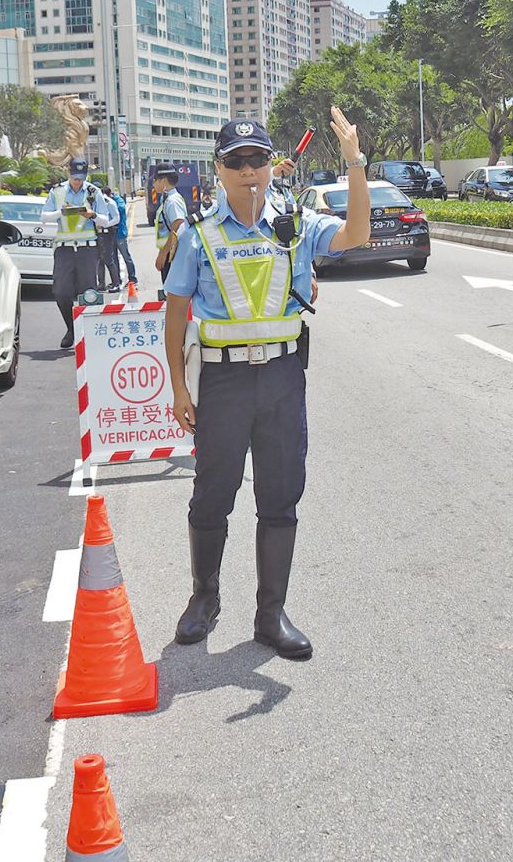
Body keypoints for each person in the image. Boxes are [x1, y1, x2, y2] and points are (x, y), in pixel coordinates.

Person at [163, 108, 371, 659]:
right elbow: (176, 311)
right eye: (238, 162)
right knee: (212, 497)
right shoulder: (197, 236)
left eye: (258, 160)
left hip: (282, 377)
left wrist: (353, 160)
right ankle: (203, 599)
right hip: (224, 382)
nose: (249, 171)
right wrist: (180, 389)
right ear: (220, 169)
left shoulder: (296, 224)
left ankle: (270, 613)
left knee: (280, 498)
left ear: (272, 167)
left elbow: (358, 233)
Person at [43, 159, 117, 348]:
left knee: (89, 293)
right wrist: (61, 212)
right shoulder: (57, 191)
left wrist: (92, 215)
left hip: (87, 249)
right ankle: (71, 328)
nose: (78, 182)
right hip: (64, 249)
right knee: (61, 292)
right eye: (75, 179)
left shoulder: (93, 192)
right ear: (69, 174)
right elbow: (44, 217)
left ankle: (88, 333)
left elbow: (106, 220)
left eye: (81, 179)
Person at [152, 166, 189, 284]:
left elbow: (178, 224)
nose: (153, 184)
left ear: (163, 181)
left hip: (174, 255)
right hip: (170, 253)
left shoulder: (172, 201)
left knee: (173, 293)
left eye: (155, 180)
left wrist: (164, 254)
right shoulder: (167, 199)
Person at [105, 185, 139, 291]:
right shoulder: (108, 202)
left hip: (120, 233)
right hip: (111, 234)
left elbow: (120, 209)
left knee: (126, 257)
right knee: (114, 258)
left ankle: (133, 279)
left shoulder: (118, 200)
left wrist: (109, 204)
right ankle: (117, 280)